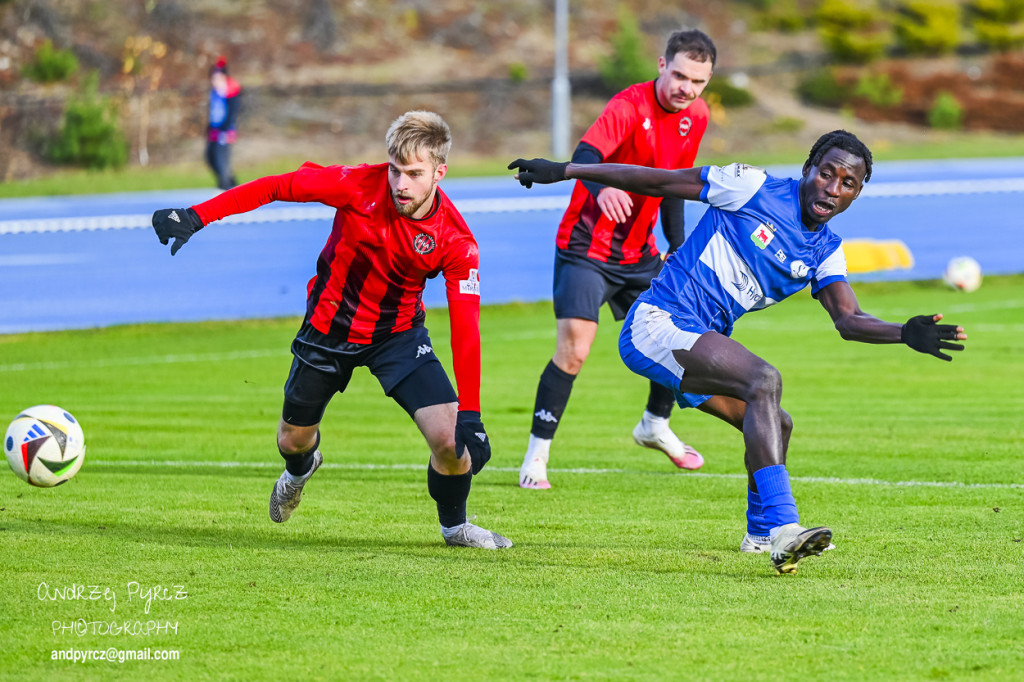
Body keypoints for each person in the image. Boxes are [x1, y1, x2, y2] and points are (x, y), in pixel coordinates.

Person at [508, 130, 967, 573]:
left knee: (775, 421)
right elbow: (660, 180)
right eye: (827, 173)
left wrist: (904, 333)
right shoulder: (751, 187)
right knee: (764, 380)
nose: (833, 188)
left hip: (696, 343)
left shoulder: (826, 250)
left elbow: (849, 320)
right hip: (657, 322)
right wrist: (568, 170)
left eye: (848, 183)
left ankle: (762, 536)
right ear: (808, 169)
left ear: (857, 194)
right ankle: (787, 524)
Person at [152, 110, 512, 549]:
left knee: (452, 440)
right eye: (396, 170)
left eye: (414, 174)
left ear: (440, 172)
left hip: (397, 336)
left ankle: (455, 527)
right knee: (292, 440)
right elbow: (276, 186)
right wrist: (196, 215)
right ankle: (301, 469)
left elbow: (466, 328)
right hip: (327, 328)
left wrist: (471, 415)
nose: (401, 184)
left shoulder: (456, 240)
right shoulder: (357, 184)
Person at [519, 29, 717, 491]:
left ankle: (653, 424)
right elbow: (584, 155)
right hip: (586, 247)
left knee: (675, 341)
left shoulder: (697, 117)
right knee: (574, 351)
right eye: (681, 76)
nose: (687, 89)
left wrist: (677, 245)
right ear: (661, 65)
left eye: (699, 82)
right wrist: (603, 186)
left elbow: (674, 185)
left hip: (639, 254)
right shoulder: (628, 106)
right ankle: (537, 455)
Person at [205, 57, 241, 190]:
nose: (214, 81)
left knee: (222, 161)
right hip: (214, 130)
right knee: (210, 158)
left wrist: (224, 130)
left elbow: (232, 112)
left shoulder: (231, 91)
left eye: (217, 78)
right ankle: (231, 183)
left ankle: (227, 186)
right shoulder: (215, 92)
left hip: (224, 132)